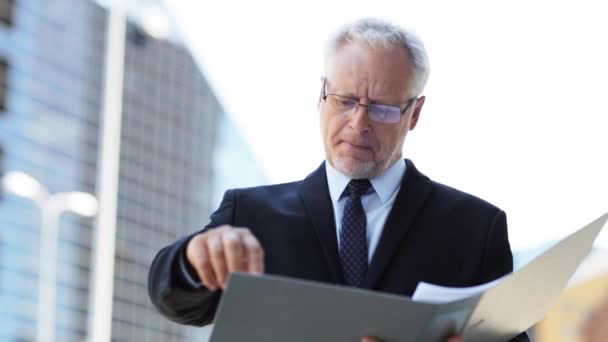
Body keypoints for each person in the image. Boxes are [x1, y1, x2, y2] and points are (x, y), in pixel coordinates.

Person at [148, 18, 529, 341]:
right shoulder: (249, 214)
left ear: (414, 114)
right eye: (345, 101)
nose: (358, 123)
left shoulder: (475, 230)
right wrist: (192, 260)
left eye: (382, 109)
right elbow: (174, 301)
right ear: (321, 95)